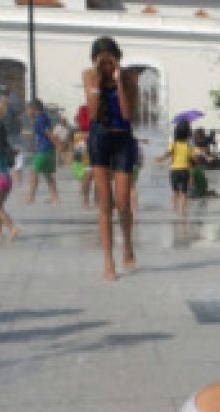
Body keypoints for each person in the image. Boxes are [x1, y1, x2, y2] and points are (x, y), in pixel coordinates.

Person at [82, 36, 139, 281]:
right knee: (105, 204)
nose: (105, 64)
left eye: (109, 59)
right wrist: (96, 80)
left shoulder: (128, 78)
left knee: (123, 202)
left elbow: (127, 114)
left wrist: (118, 82)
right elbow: (93, 113)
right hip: (100, 139)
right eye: (100, 60)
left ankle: (126, 244)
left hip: (123, 139)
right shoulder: (89, 76)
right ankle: (108, 261)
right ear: (94, 60)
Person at [26, 99, 61, 205]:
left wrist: (58, 145)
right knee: (47, 175)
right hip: (48, 149)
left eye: (28, 109)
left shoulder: (40, 119)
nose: (27, 112)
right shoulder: (43, 117)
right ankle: (55, 198)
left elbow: (48, 133)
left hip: (43, 149)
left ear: (34, 109)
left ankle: (31, 198)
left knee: (33, 172)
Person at [160, 120, 195, 218]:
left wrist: (161, 158)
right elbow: (191, 159)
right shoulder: (188, 146)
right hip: (185, 170)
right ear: (187, 134)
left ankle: (174, 210)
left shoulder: (173, 144)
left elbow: (168, 153)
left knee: (175, 191)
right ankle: (183, 212)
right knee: (184, 192)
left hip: (174, 170)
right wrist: (191, 175)